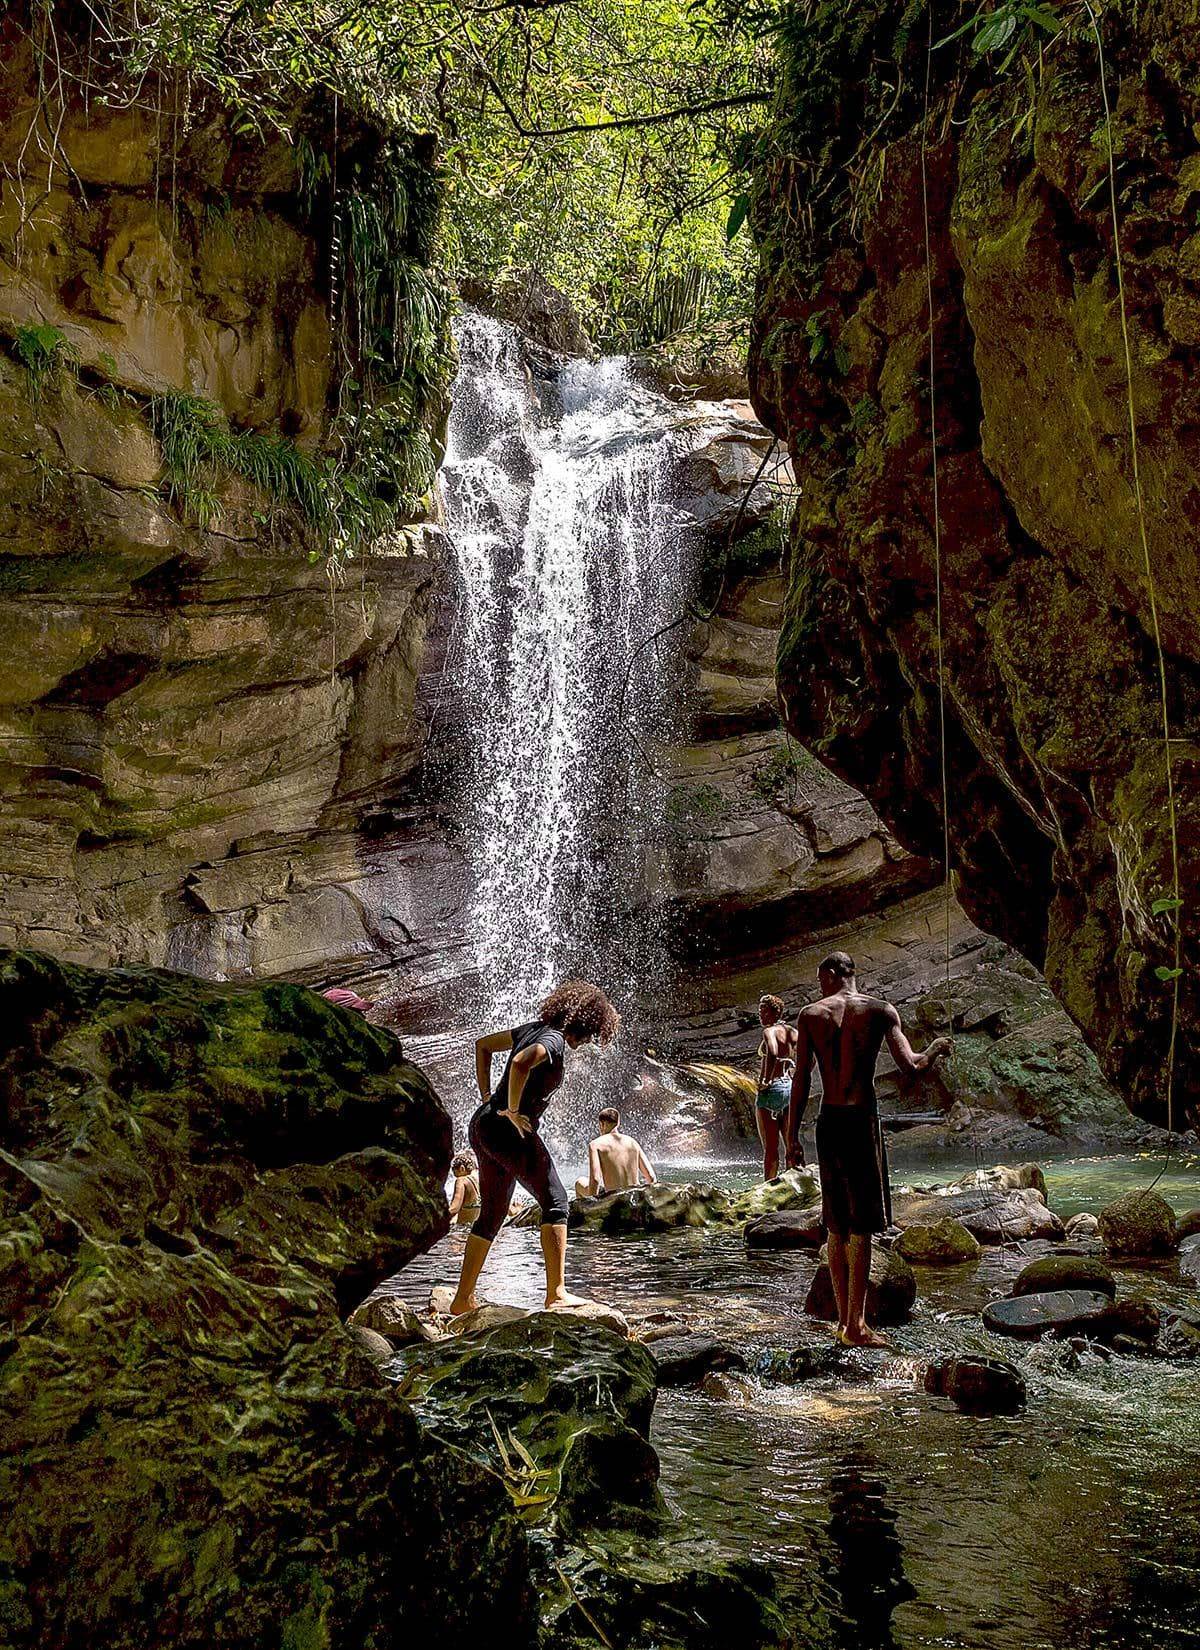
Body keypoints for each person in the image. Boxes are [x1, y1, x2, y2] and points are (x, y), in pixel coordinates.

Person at [787, 952, 950, 1348]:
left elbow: (803, 1081)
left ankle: (845, 1321)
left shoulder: (811, 1015)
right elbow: (912, 1065)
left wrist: (791, 1137)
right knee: (861, 1228)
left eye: (820, 978)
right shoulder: (880, 1011)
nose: (819, 985)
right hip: (861, 1121)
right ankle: (854, 1325)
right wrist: (938, 1047)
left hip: (829, 1122)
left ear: (830, 975)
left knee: (837, 1225)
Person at [449, 979, 621, 1316]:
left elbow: (483, 1045)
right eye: (588, 1035)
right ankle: (556, 1294)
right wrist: (513, 1111)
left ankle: (461, 1299)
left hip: (483, 1125)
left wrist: (488, 1099)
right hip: (506, 1130)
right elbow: (520, 1063)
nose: (585, 1042)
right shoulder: (553, 1041)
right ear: (583, 1024)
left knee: (492, 1213)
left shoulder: (534, 1028)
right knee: (556, 1200)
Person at [756, 993, 799, 1180]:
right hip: (789, 1088)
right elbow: (810, 1056)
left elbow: (772, 1052)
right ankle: (796, 1183)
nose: (760, 1014)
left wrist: (765, 1080)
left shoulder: (769, 1032)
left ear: (774, 1012)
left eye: (763, 1010)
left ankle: (769, 1188)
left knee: (771, 1148)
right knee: (791, 1144)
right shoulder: (793, 1032)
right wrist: (796, 1076)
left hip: (771, 1090)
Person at [575, 1108, 656, 1199]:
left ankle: (583, 1212)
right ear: (618, 1123)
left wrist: (592, 1204)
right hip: (635, 1197)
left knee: (580, 1182)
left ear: (602, 1124)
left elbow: (595, 1180)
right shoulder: (632, 1142)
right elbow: (651, 1177)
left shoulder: (595, 1144)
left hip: (615, 1199)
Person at [447, 1151, 480, 1226]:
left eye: (454, 1171)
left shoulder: (461, 1180)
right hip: (475, 1225)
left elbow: (455, 1208)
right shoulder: (478, 1180)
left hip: (462, 1227)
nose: (454, 1175)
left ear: (462, 1168)